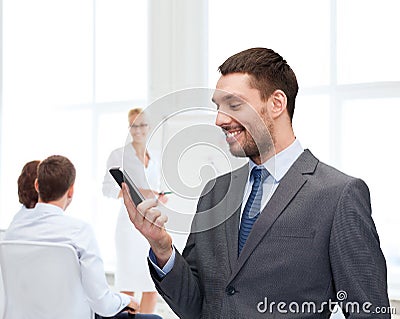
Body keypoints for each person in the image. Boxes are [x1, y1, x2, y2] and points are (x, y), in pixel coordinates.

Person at [121, 48, 391, 318]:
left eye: (234, 105)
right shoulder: (215, 192)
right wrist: (162, 248)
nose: (220, 119)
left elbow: (369, 311)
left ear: (276, 103)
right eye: (218, 107)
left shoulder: (338, 195)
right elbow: (197, 306)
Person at [4, 155, 162, 319]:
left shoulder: (12, 233)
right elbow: (102, 303)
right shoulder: (79, 232)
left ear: (37, 185)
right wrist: (126, 300)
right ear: (71, 190)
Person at [103, 108, 165, 314]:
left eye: (142, 125)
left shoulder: (156, 155)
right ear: (129, 128)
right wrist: (139, 191)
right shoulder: (118, 155)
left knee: (151, 283)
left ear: (149, 127)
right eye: (133, 125)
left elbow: (159, 187)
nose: (138, 130)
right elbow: (108, 189)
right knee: (128, 280)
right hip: (129, 226)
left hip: (153, 223)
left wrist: (160, 196)